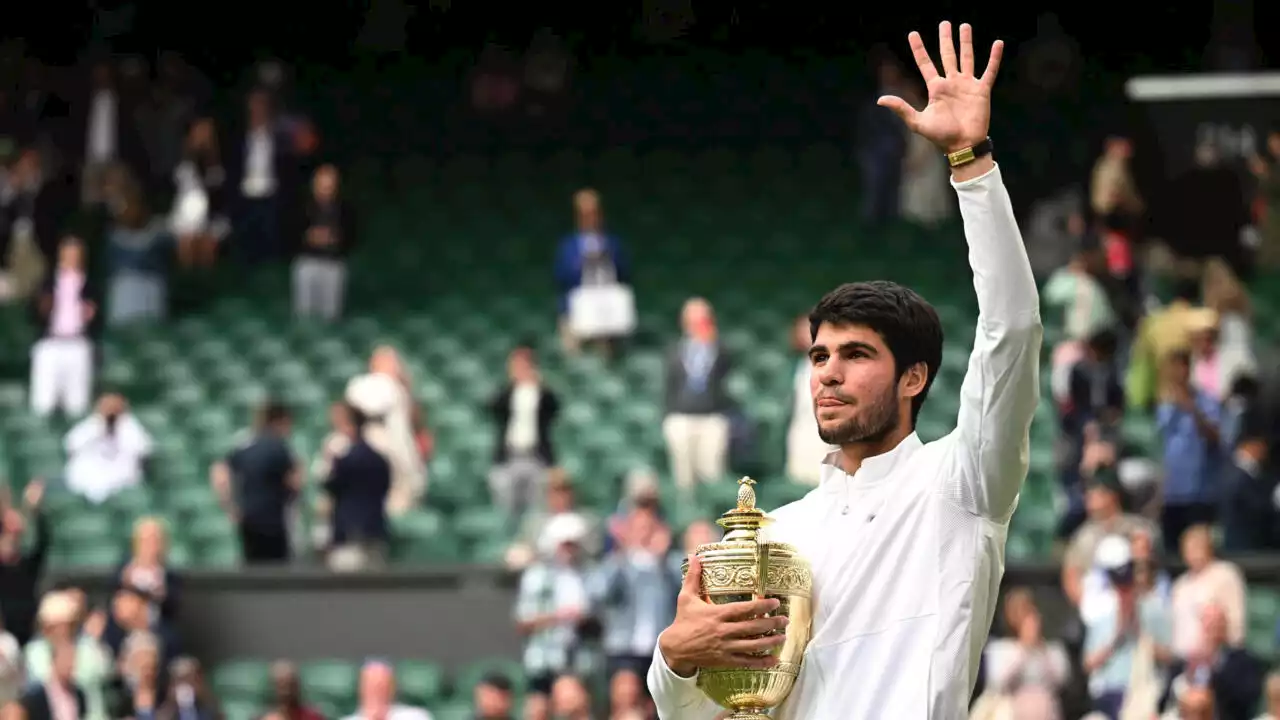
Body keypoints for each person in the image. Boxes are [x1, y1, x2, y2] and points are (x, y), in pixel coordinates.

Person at [648, 23, 1040, 719]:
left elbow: (1011, 332)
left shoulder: (962, 485)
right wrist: (676, 661)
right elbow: (706, 713)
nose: (827, 374)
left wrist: (971, 164)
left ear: (914, 378)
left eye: (857, 355)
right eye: (820, 356)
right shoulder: (779, 536)